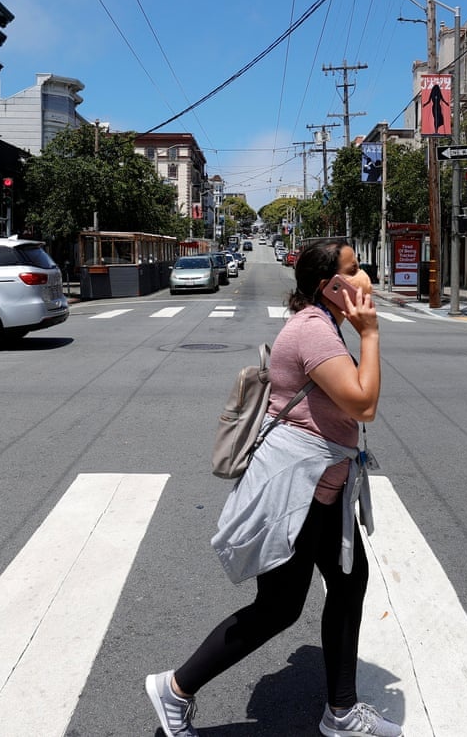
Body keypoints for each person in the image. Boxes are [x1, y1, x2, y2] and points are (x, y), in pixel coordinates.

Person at [146, 238, 401, 737]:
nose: (364, 277)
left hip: (323, 490)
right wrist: (370, 333)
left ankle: (341, 711)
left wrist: (356, 325)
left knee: (348, 584)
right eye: (353, 269)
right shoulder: (313, 331)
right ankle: (175, 688)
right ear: (329, 286)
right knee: (279, 608)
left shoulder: (322, 322)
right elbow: (363, 404)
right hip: (297, 494)